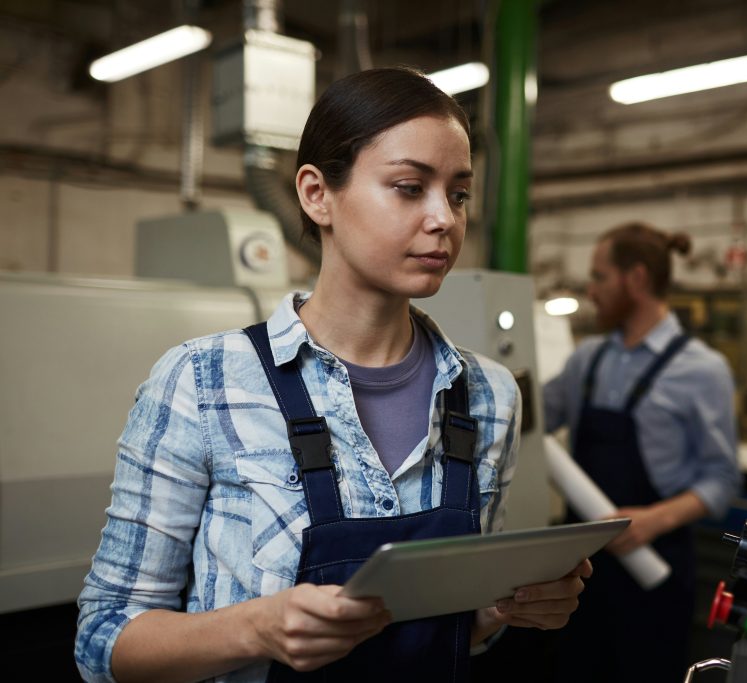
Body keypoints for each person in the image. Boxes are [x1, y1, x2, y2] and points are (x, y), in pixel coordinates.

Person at [75, 67, 590, 683]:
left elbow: (458, 629)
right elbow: (103, 639)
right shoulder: (202, 382)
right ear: (317, 194)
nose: (444, 220)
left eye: (458, 195)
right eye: (409, 187)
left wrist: (503, 610)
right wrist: (254, 628)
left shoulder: (488, 395)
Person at [544, 222, 741, 682]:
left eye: (600, 277)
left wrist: (654, 520)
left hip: (655, 570)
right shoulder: (587, 359)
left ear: (635, 279)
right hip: (580, 572)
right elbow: (526, 416)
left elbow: (721, 479)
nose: (591, 291)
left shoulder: (703, 370)